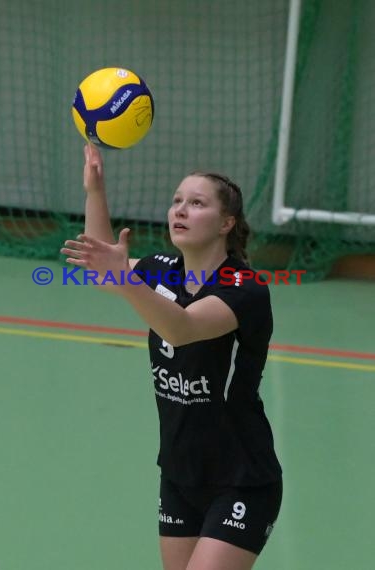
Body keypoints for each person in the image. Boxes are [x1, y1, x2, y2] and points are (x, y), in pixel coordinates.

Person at [60, 144, 282, 570]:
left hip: (242, 479)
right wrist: (95, 189)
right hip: (180, 473)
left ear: (226, 223)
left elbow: (180, 329)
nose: (180, 209)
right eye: (177, 201)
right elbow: (104, 268)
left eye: (196, 203)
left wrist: (124, 276)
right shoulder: (163, 269)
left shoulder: (244, 288)